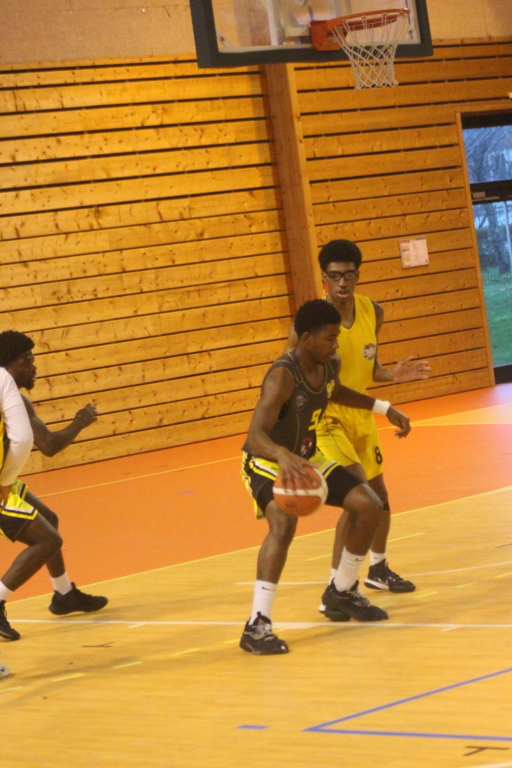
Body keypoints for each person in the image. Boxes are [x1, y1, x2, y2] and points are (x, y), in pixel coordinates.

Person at [240, 299, 412, 655]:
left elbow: (339, 392)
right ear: (306, 339)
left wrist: (384, 407)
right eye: (330, 338)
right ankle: (257, 624)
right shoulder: (282, 375)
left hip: (306, 457)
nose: (336, 344)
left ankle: (342, 590)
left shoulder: (330, 364)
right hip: (266, 459)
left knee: (370, 505)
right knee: (283, 523)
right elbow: (255, 436)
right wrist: (282, 455)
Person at [289, 240, 431, 612]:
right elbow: (302, 377)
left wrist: (392, 374)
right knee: (358, 501)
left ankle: (378, 569)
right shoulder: (311, 323)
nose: (342, 283)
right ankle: (337, 590)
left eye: (348, 275)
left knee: (379, 499)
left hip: (362, 416)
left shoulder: (372, 311)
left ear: (357, 275)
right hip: (328, 420)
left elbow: (371, 369)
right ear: (324, 277)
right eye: (334, 276)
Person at [0, 331, 108, 642]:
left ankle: (64, 595)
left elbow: (45, 443)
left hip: (6, 482)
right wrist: (80, 422)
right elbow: (44, 444)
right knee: (47, 540)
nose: (34, 366)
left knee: (49, 519)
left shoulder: (18, 400)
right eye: (27, 361)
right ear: (8, 366)